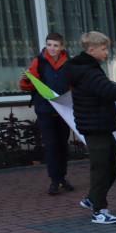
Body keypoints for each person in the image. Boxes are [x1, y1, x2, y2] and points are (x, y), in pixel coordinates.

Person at [65, 31, 116, 225]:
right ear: (91, 50)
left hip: (99, 125)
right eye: (104, 49)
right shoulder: (88, 72)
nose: (107, 53)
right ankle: (99, 211)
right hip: (94, 126)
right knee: (101, 168)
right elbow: (111, 91)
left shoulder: (88, 68)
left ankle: (92, 198)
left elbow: (107, 89)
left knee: (114, 164)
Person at [20, 32, 72, 196]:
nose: (52, 48)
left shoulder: (69, 62)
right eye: (49, 45)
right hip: (45, 110)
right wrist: (27, 80)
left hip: (63, 110)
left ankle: (62, 178)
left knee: (63, 145)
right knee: (51, 146)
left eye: (55, 45)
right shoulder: (38, 61)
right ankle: (54, 180)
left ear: (62, 47)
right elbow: (26, 85)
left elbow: (74, 84)